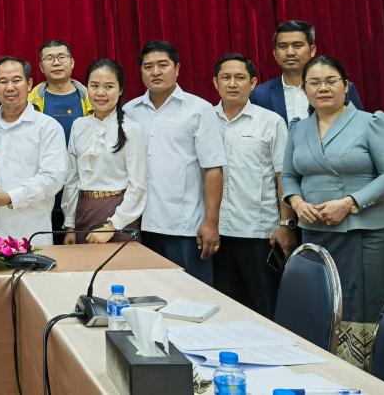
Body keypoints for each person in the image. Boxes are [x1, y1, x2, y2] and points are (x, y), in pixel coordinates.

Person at [282, 55, 384, 368]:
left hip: (364, 233)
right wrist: (297, 203)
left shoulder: (371, 122)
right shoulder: (298, 129)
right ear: (305, 89)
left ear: (346, 86)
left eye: (330, 81)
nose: (323, 88)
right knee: (321, 306)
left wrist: (350, 203)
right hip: (316, 235)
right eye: (314, 82)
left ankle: (367, 378)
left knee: (363, 308)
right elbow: (289, 176)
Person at [123, 40, 225, 284]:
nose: (155, 72)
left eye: (163, 65)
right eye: (148, 66)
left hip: (185, 226)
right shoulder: (129, 110)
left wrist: (211, 222)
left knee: (192, 295)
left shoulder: (199, 109)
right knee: (148, 294)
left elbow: (213, 169)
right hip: (140, 224)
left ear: (177, 69)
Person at [211, 54, 296, 318]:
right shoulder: (204, 120)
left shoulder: (271, 122)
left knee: (264, 310)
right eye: (226, 77)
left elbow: (283, 176)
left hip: (260, 233)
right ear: (215, 82)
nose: (232, 83)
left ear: (253, 83)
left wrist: (286, 225)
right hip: (216, 234)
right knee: (222, 311)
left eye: (240, 77)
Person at [0, 57, 68, 245]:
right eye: (3, 81)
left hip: (29, 237)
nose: (9, 87)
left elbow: (52, 179)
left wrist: (11, 197)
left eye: (16, 80)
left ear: (29, 84)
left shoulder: (48, 127)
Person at [62, 58, 147, 245]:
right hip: (84, 212)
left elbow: (138, 186)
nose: (100, 93)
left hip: (120, 214)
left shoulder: (131, 128)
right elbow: (72, 179)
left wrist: (112, 225)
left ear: (121, 89)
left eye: (109, 86)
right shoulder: (79, 126)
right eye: (94, 86)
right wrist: (70, 225)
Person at [251, 20, 363, 126]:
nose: (290, 52)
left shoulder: (340, 88)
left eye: (297, 45)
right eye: (283, 46)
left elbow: (359, 127)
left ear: (312, 50)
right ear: (275, 53)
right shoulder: (259, 94)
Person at [27, 39, 94, 142]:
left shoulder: (92, 98)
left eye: (62, 57)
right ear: (41, 67)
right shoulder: (29, 102)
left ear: (72, 63)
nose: (56, 63)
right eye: (49, 58)